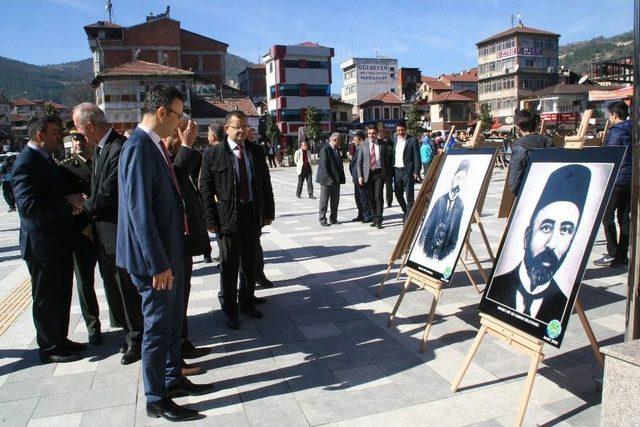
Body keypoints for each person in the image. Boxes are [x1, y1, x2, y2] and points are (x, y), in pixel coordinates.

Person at [116, 86, 212, 422]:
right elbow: (140, 213)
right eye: (177, 114)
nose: (180, 121)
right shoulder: (139, 148)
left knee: (171, 323)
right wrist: (157, 263)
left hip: (170, 254)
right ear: (161, 113)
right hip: (154, 262)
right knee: (156, 329)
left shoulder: (153, 146)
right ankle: (156, 398)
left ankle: (173, 379)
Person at [72, 102, 143, 364]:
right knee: (115, 287)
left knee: (126, 288)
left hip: (117, 233)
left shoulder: (118, 148)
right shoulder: (101, 149)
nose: (80, 135)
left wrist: (80, 205)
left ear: (90, 126)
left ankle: (137, 337)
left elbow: (110, 192)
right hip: (104, 235)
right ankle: (128, 332)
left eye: (80, 129)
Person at [12, 115, 86, 364]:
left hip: (57, 242)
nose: (59, 138)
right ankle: (49, 346)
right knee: (46, 298)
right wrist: (67, 204)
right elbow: (29, 207)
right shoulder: (26, 163)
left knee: (61, 293)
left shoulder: (45, 160)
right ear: (40, 135)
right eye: (55, 133)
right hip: (42, 245)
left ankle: (60, 338)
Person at [200, 110, 275, 330]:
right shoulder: (212, 155)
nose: (241, 130)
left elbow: (264, 183)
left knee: (250, 261)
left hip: (251, 214)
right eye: (237, 127)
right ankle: (230, 309)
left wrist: (268, 210)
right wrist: (211, 220)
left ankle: (247, 301)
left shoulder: (255, 151)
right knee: (229, 264)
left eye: (244, 126)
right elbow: (205, 189)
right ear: (227, 129)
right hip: (227, 218)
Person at [487, 164, 591, 323]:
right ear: (527, 236)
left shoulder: (562, 304)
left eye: (565, 230)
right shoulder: (495, 289)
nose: (552, 244)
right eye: (546, 227)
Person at [164, 116, 212, 371]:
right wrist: (184, 146)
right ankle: (174, 360)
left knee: (183, 296)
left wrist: (186, 148)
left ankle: (182, 343)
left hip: (183, 241)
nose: (187, 134)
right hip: (169, 244)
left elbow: (188, 175)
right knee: (172, 303)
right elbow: (175, 180)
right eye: (181, 130)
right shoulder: (158, 153)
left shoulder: (174, 154)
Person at [58, 130, 102, 345]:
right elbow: (70, 202)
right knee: (85, 282)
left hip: (105, 228)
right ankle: (93, 325)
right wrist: (86, 226)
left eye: (81, 138)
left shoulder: (103, 160)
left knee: (114, 277)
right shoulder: (66, 168)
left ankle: (120, 317)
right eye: (74, 139)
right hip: (82, 233)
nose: (77, 143)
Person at [595, 101, 632, 267]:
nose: (609, 118)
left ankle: (613, 252)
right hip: (631, 179)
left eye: (609, 115)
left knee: (607, 216)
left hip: (617, 179)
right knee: (624, 217)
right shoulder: (633, 129)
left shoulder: (616, 132)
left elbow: (610, 156)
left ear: (615, 115)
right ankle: (622, 254)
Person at [418, 159, 469, 260]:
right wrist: (421, 249)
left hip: (442, 252)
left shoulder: (461, 206)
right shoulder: (440, 200)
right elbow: (427, 227)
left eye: (463, 179)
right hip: (428, 248)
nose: (459, 181)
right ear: (453, 178)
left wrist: (445, 255)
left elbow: (455, 236)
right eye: (458, 177)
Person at [507, 109, 553, 196]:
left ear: (517, 128)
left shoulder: (520, 145)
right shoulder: (548, 140)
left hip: (529, 195)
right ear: (536, 125)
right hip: (549, 191)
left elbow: (514, 183)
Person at [357, 125, 391, 229]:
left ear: (377, 133)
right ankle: (374, 218)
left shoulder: (383, 144)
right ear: (367, 134)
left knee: (378, 196)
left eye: (374, 133)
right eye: (369, 133)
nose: (372, 135)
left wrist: (387, 175)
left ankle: (379, 219)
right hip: (368, 174)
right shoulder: (363, 144)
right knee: (371, 197)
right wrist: (360, 176)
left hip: (379, 173)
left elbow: (387, 160)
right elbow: (359, 162)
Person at [203, 124, 224, 264]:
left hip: (219, 201)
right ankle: (223, 254)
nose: (207, 137)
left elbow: (206, 184)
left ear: (213, 136)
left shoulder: (210, 153)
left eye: (208, 134)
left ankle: (224, 255)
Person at [391, 120, 421, 220]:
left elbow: (417, 156)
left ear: (406, 129)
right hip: (397, 171)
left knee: (409, 196)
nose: (400, 132)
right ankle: (406, 211)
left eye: (402, 130)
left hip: (408, 172)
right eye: (398, 130)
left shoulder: (412, 140)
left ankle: (408, 218)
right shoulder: (395, 140)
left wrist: (416, 171)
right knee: (398, 194)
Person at [316, 132, 345, 226]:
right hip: (326, 180)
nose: (341, 143)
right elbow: (324, 166)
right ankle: (322, 218)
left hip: (336, 180)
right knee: (324, 200)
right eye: (340, 141)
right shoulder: (325, 149)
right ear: (335, 140)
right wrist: (329, 179)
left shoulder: (336, 150)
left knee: (335, 200)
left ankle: (333, 218)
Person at [348, 130, 372, 223]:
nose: (354, 142)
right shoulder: (357, 148)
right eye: (354, 140)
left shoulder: (365, 148)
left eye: (356, 140)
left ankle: (367, 215)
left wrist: (361, 176)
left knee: (364, 197)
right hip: (356, 178)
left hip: (361, 177)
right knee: (358, 197)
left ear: (361, 139)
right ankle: (360, 214)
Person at [377, 127, 394, 208]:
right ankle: (380, 203)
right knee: (379, 189)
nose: (380, 134)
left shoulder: (390, 143)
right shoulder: (375, 143)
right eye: (379, 133)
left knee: (389, 187)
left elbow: (392, 154)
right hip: (378, 170)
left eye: (381, 133)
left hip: (388, 169)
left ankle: (389, 201)